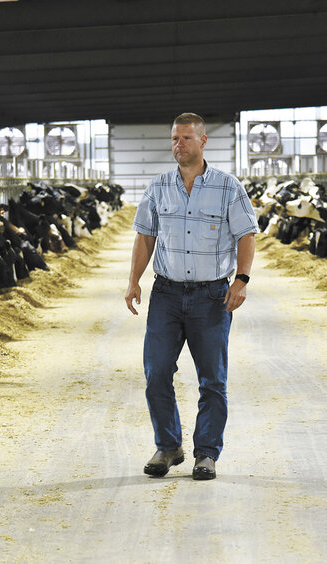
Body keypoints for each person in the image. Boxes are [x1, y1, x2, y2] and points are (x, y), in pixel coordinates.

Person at [125, 112, 259, 480]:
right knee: (156, 373)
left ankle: (206, 453)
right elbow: (145, 237)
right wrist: (134, 280)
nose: (177, 145)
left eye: (185, 138)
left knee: (212, 379)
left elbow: (246, 234)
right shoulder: (158, 187)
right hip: (166, 293)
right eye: (174, 139)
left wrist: (242, 280)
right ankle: (168, 447)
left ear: (203, 142)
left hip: (212, 296)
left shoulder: (228, 187)